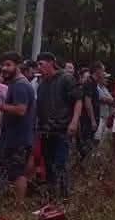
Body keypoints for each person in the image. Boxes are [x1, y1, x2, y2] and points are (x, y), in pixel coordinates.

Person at [35, 51, 82, 198]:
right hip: (46, 131)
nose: (39, 68)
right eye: (37, 65)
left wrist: (74, 122)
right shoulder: (42, 85)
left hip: (63, 129)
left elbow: (78, 100)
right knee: (48, 166)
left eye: (41, 64)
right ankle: (52, 199)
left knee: (60, 165)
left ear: (51, 63)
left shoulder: (66, 79)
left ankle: (63, 198)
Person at [0, 53, 35, 201]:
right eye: (3, 65)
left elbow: (21, 109)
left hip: (18, 138)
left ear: (18, 66)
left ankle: (18, 210)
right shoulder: (15, 84)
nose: (4, 68)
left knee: (18, 173)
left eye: (8, 65)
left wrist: (0, 106)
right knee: (13, 173)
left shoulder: (20, 85)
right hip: (15, 136)